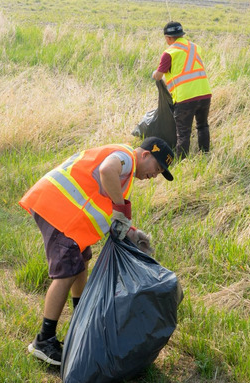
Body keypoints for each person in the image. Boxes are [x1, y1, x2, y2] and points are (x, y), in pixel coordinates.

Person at [18, 137, 175, 366]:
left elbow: (105, 203)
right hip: (57, 209)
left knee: (80, 261)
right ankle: (44, 340)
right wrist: (122, 209)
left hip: (65, 215)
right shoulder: (126, 158)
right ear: (145, 155)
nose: (155, 175)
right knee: (68, 271)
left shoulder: (126, 172)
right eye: (157, 168)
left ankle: (80, 320)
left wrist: (129, 229)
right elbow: (106, 170)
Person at [152, 21, 213, 158]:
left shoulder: (169, 53)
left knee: (183, 133)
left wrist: (154, 74)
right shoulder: (196, 47)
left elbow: (159, 76)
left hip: (185, 98)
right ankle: (205, 155)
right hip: (205, 94)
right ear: (181, 35)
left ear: (168, 38)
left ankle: (182, 161)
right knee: (202, 126)